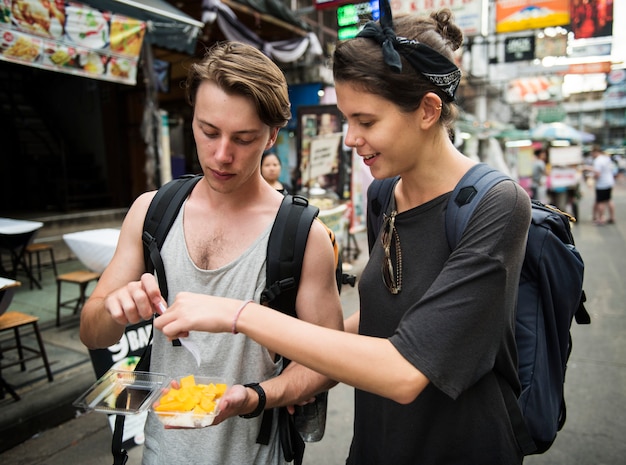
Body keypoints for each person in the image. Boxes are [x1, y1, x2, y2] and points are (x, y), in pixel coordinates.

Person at [154, 4, 532, 464]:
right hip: (378, 441)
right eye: (346, 118)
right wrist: (264, 392)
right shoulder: (384, 196)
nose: (350, 138)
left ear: (428, 110)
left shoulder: (498, 205)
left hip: (459, 447)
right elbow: (379, 320)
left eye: (366, 121)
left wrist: (240, 314)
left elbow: (404, 370)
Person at [79, 41, 343, 465]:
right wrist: (113, 310)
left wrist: (256, 397)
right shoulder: (152, 212)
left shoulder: (302, 236)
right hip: (161, 453)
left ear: (273, 135)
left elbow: (330, 362)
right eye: (208, 131)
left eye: (243, 138)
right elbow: (91, 333)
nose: (222, 155)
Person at [589, 145, 616, 224]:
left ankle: (601, 218)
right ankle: (612, 217)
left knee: (601, 202)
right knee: (609, 199)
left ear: (595, 152)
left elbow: (597, 174)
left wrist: (592, 178)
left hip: (602, 183)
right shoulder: (606, 158)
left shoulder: (597, 161)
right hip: (609, 181)